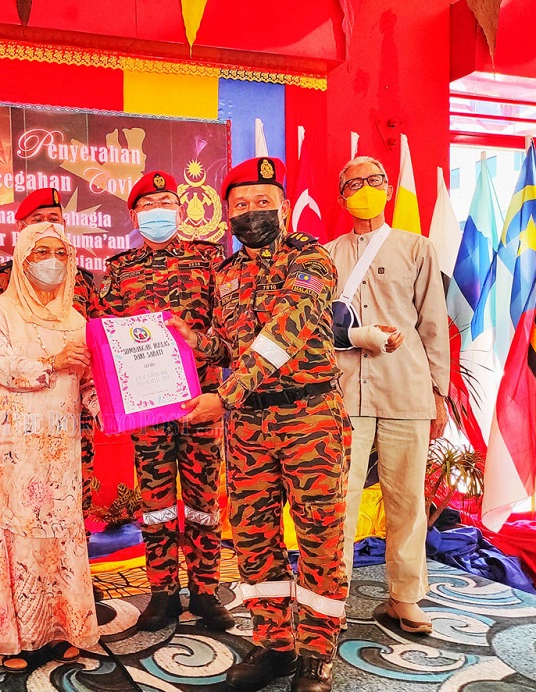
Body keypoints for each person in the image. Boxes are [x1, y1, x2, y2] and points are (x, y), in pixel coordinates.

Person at [169, 157, 351, 692]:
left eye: (262, 202)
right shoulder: (225, 273)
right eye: (241, 205)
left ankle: (316, 653)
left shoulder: (310, 258)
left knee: (319, 537)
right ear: (228, 215)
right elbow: (234, 347)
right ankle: (275, 644)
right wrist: (197, 341)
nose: (252, 212)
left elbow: (287, 330)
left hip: (308, 416)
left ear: (284, 207)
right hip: (248, 426)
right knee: (253, 536)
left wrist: (224, 395)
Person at [99, 171, 233, 631]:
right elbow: (109, 336)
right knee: (155, 501)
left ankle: (206, 591)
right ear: (134, 215)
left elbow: (227, 329)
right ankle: (162, 593)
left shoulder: (209, 259)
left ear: (179, 209)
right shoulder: (120, 269)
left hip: (201, 402)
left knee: (202, 499)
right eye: (148, 204)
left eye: (166, 203)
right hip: (148, 406)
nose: (158, 211)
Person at [325, 155, 450, 635]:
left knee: (407, 499)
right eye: (353, 183)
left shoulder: (417, 248)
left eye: (373, 180)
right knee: (339, 498)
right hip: (343, 393)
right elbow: (316, 324)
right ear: (341, 198)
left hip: (406, 388)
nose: (364, 188)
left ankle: (405, 598)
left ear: (388, 188)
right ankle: (330, 598)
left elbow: (433, 325)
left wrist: (439, 393)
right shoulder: (326, 255)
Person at [0, 221, 100, 671]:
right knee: (23, 536)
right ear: (22, 259)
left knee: (63, 533)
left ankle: (64, 629)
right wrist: (53, 360)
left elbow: (88, 383)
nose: (53, 262)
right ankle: (19, 638)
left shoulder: (77, 320)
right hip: (18, 448)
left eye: (61, 253)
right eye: (41, 253)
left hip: (62, 448)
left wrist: (117, 410)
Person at [0, 187, 102, 531]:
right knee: (25, 512)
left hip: (72, 420)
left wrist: (113, 407)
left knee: (70, 504)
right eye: (38, 220)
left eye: (55, 219)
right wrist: (9, 408)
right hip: (21, 420)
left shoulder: (81, 287)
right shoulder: (2, 284)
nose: (48, 226)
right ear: (22, 228)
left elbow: (95, 355)